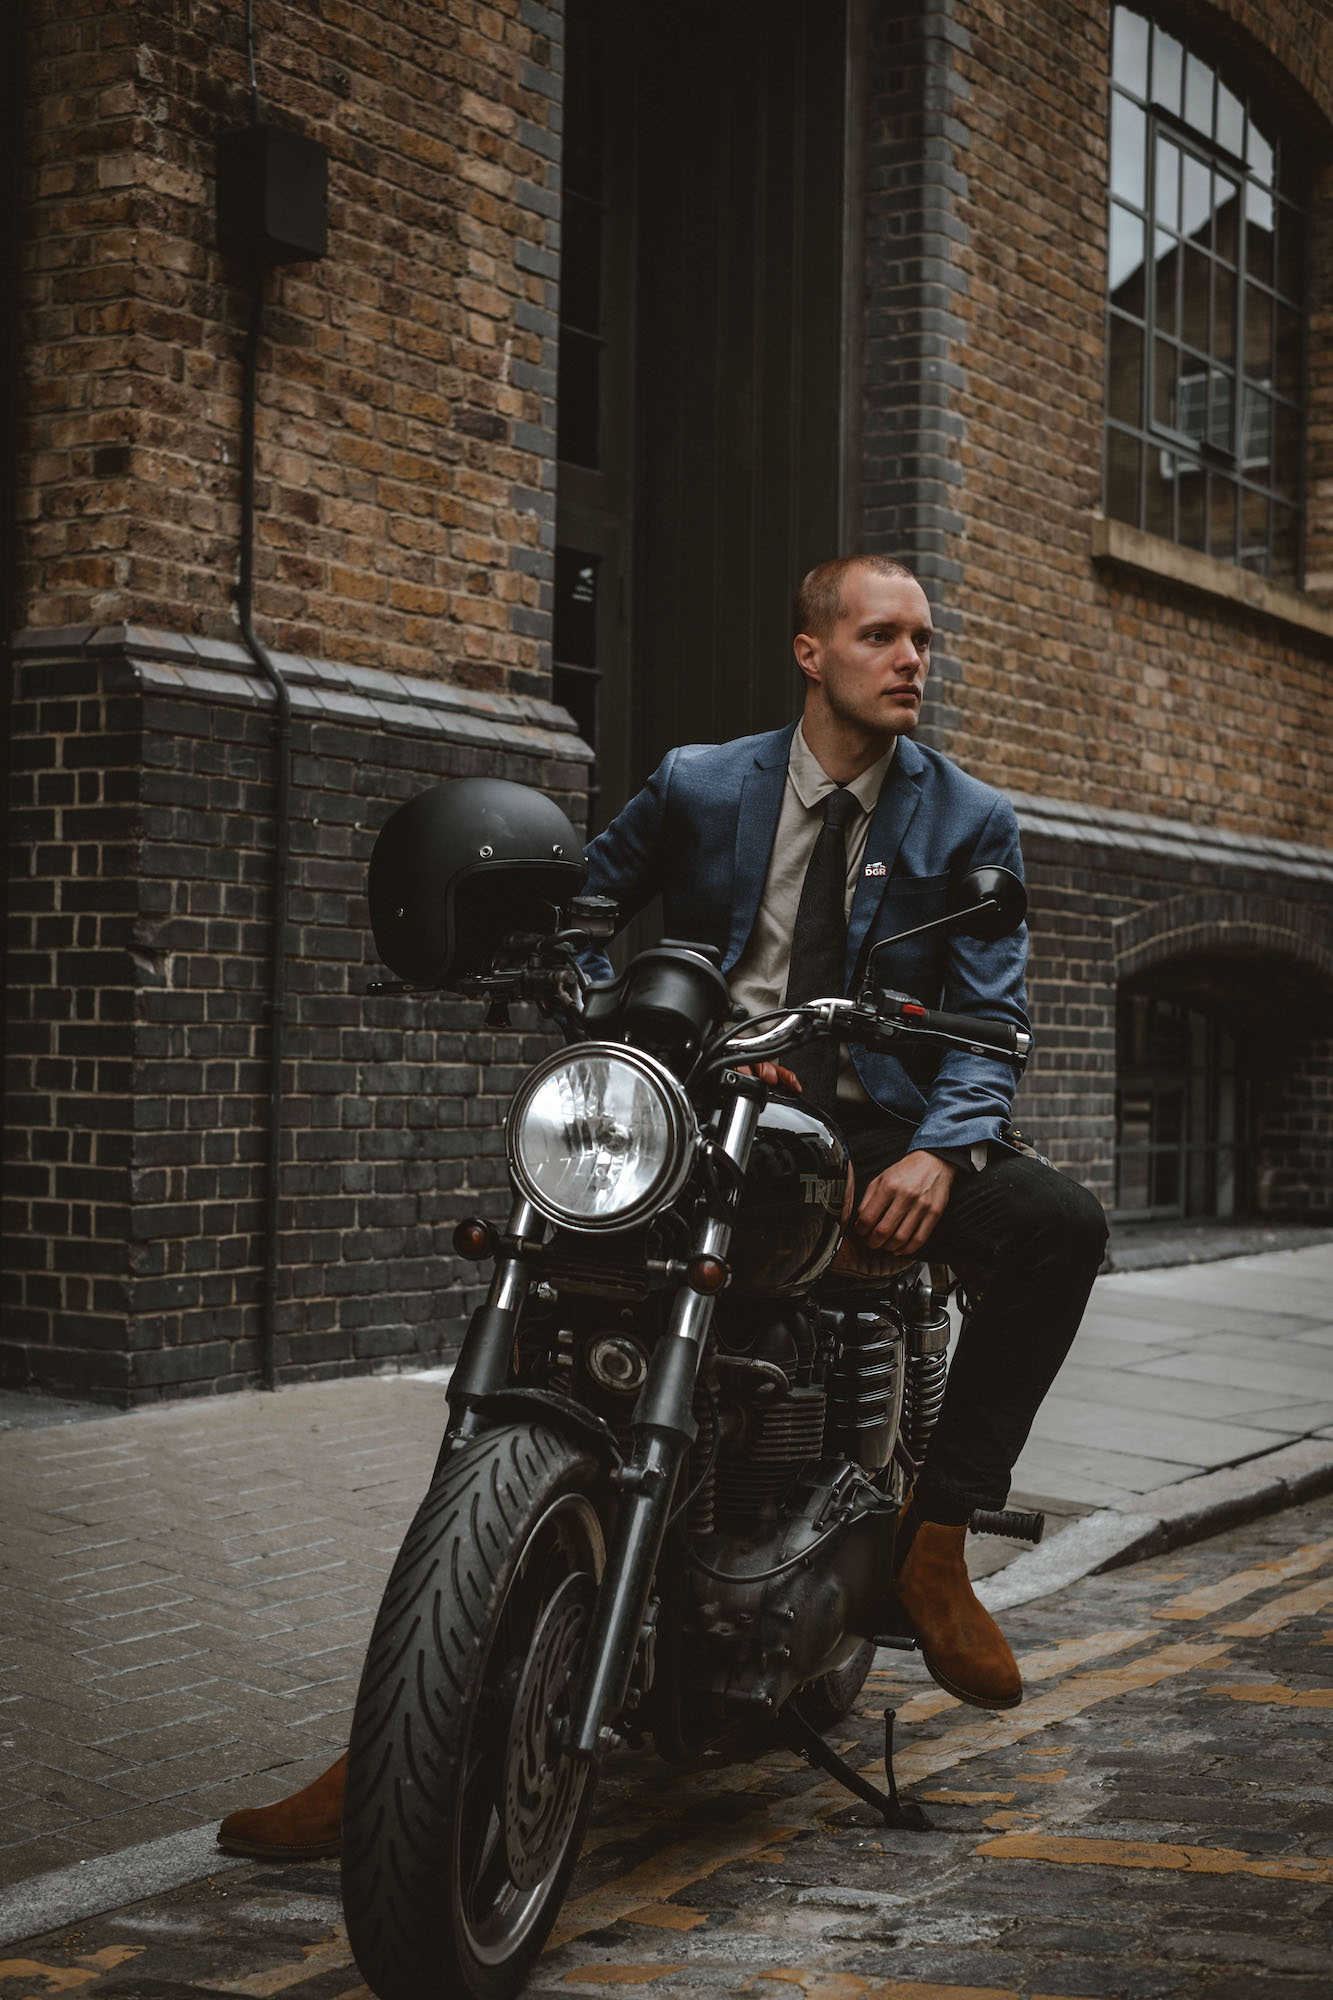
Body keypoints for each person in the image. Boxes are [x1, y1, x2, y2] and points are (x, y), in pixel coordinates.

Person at [217, 553, 1107, 1861]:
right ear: (811, 653)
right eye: (880, 636)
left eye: (923, 638)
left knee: (1060, 1226)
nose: (912, 659)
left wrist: (940, 1153)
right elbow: (583, 902)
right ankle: (413, 1716)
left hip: (869, 1113)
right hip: (698, 1094)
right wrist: (597, 991)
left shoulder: (964, 819)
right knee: (549, 1276)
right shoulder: (701, 783)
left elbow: (988, 1020)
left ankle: (934, 1544)